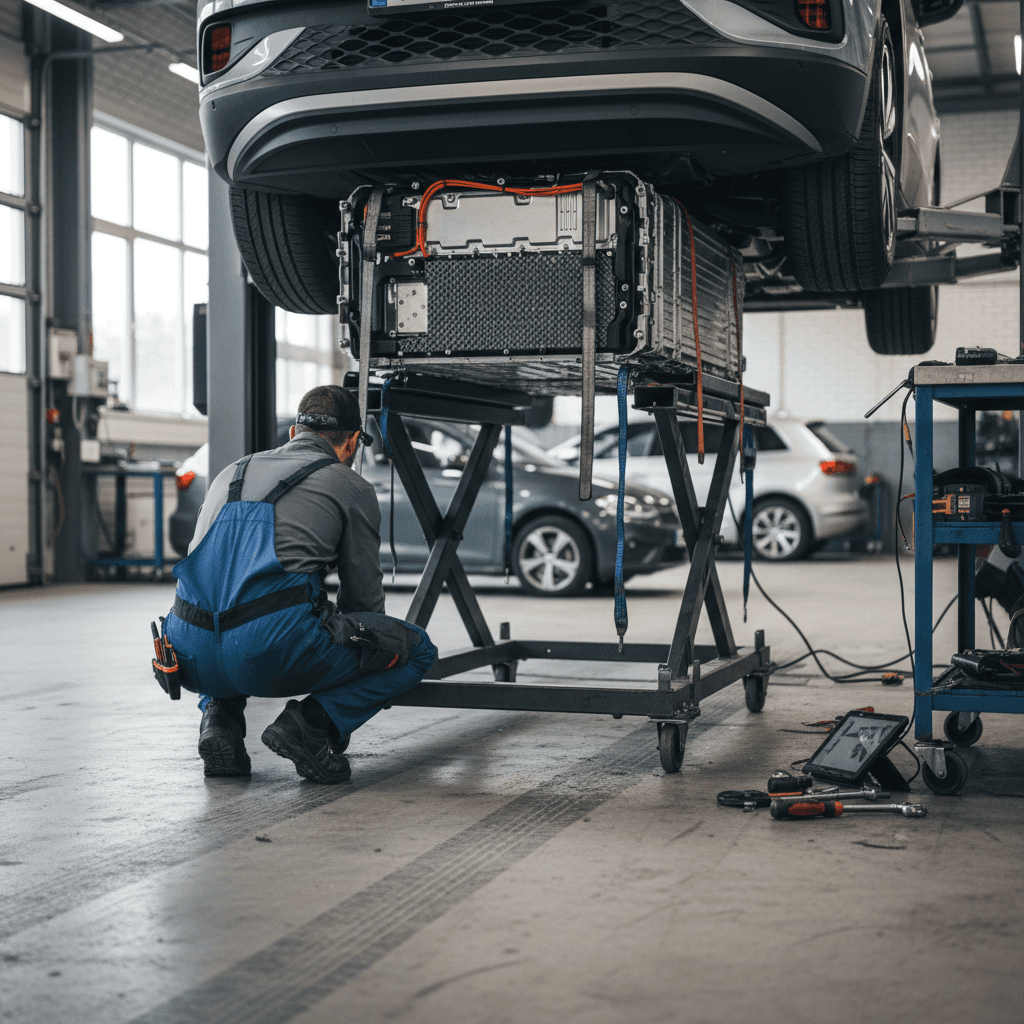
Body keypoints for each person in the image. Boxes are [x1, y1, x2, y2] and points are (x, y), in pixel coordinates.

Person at [162, 384, 436, 783]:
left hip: (187, 654)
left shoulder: (230, 472)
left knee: (227, 606)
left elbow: (206, 569)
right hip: (266, 653)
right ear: (353, 443)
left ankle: (219, 720)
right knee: (416, 650)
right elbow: (362, 601)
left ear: (294, 433)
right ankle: (310, 725)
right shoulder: (351, 486)